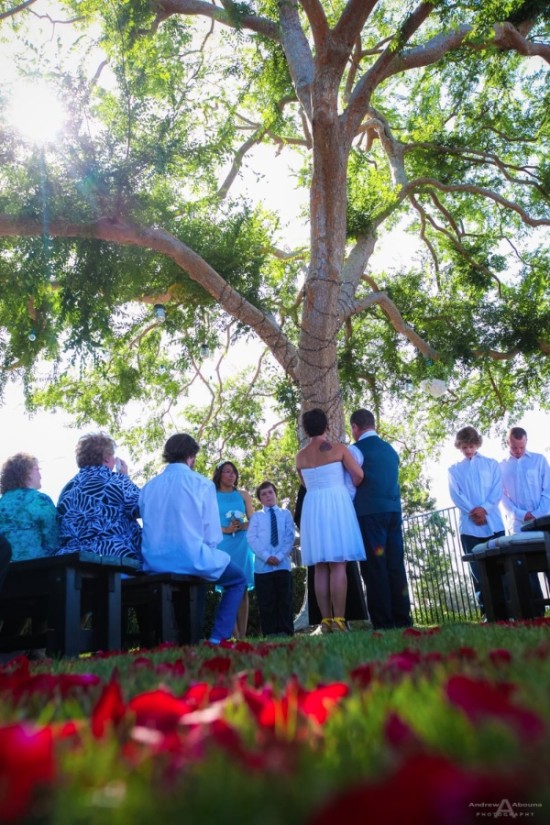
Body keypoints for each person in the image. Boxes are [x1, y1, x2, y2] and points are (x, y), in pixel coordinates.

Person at [139, 433, 246, 644]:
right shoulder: (202, 484)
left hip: (154, 560)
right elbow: (212, 535)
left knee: (201, 569)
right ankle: (218, 638)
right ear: (191, 455)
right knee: (237, 579)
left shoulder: (148, 487)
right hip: (190, 557)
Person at [296, 408, 365, 633]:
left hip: (313, 506)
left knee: (321, 567)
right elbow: (359, 475)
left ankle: (325, 621)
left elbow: (305, 483)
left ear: (306, 430)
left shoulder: (301, 456)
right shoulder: (339, 449)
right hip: (336, 504)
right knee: (338, 565)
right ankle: (339, 620)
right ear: (326, 426)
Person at [349, 408, 413, 630]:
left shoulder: (355, 451)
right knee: (395, 564)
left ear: (355, 427)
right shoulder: (390, 450)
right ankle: (402, 618)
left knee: (375, 567)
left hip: (369, 513)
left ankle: (383, 621)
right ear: (373, 425)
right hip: (393, 511)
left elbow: (351, 485)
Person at [57, 432, 142, 564]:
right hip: (114, 560)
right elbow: (143, 509)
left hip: (72, 562)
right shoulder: (117, 481)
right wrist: (126, 478)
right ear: (107, 458)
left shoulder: (67, 489)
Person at [448, 425, 505, 615]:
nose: (468, 450)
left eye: (471, 446)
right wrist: (474, 512)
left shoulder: (491, 464)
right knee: (478, 572)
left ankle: (508, 611)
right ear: (460, 446)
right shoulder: (454, 469)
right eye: (464, 447)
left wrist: (484, 509)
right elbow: (456, 495)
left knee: (501, 569)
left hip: (493, 523)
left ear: (477, 443)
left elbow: (496, 491)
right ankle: (487, 613)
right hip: (470, 527)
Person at [500, 426, 548, 611]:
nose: (518, 451)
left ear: (526, 441)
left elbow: (548, 490)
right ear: (508, 443)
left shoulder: (539, 461)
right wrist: (521, 514)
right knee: (526, 570)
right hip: (518, 524)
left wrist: (537, 514)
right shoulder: (501, 466)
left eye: (521, 447)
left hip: (543, 521)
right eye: (514, 448)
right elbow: (502, 497)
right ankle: (536, 613)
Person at [212, 461, 255, 638]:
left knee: (243, 587)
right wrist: (226, 529)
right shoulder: (212, 495)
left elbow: (254, 521)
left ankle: (242, 635)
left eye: (234, 472)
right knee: (227, 586)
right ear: (219, 475)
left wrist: (242, 525)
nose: (231, 475)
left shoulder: (243, 494)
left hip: (241, 545)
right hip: (223, 545)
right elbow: (207, 523)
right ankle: (232, 632)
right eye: (227, 472)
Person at [248, 481, 295, 637]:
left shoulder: (285, 514)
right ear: (260, 499)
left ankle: (286, 632)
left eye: (270, 492)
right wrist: (267, 556)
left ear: (275, 494)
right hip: (263, 568)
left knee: (285, 601)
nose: (268, 496)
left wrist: (280, 556)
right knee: (266, 602)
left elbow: (289, 536)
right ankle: (270, 633)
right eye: (264, 494)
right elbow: (252, 538)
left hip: (283, 566)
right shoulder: (256, 517)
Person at [0, 453, 59, 560]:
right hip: (35, 568)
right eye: (38, 469)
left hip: (5, 571)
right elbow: (53, 540)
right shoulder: (39, 500)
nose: (40, 475)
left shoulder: (2, 503)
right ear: (27, 472)